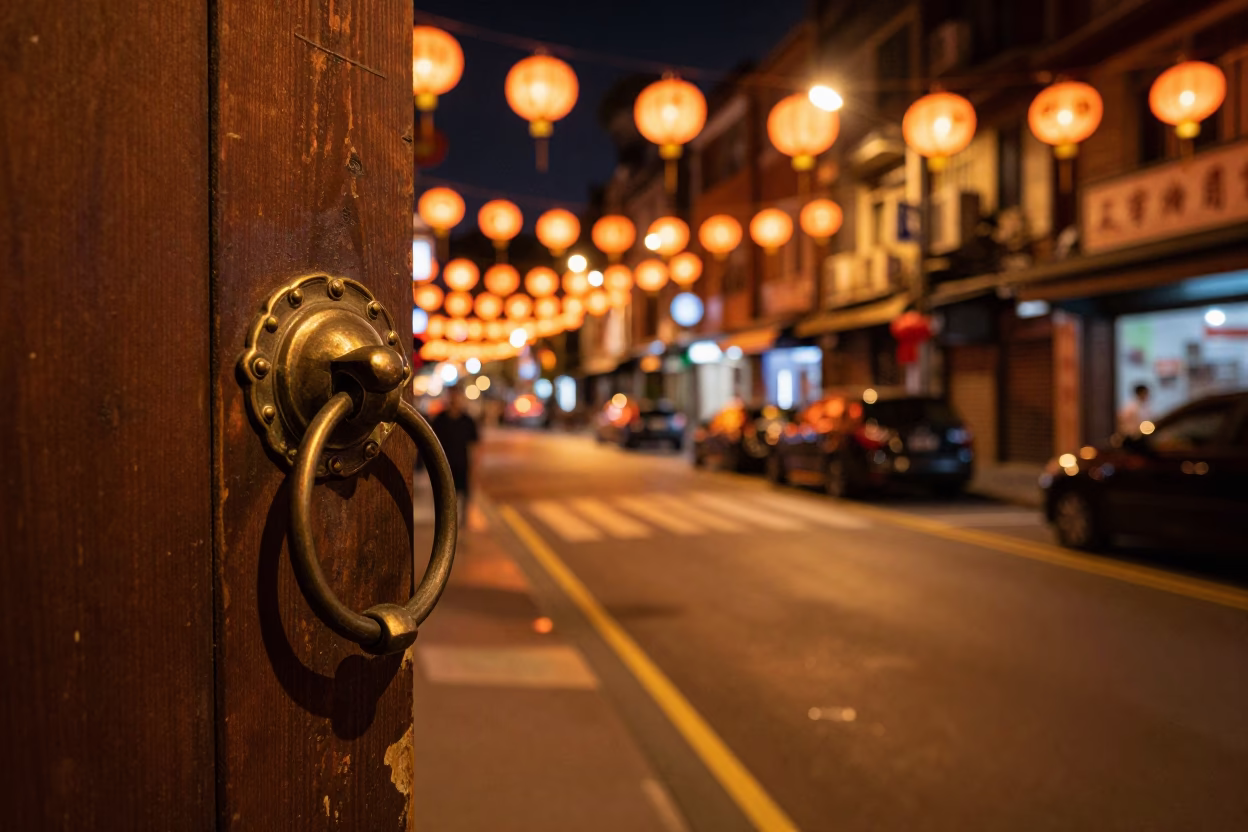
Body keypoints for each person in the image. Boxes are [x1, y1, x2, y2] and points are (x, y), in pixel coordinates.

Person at [429, 386, 479, 529]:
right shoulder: (440, 419)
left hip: (463, 463)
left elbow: (474, 445)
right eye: (452, 396)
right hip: (445, 464)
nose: (455, 400)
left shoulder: (468, 420)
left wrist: (474, 466)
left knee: (464, 493)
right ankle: (447, 522)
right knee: (445, 494)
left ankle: (463, 520)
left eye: (457, 397)